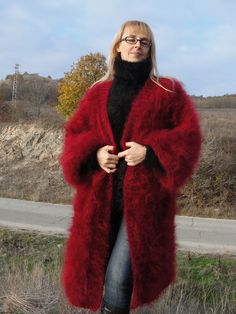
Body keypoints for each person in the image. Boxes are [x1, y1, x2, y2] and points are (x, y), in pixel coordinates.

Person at [59, 20, 202, 314]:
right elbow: (75, 134)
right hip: (100, 199)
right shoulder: (98, 92)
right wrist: (95, 153)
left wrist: (150, 152)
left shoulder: (167, 90)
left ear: (150, 51)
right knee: (97, 275)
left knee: (118, 278)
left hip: (145, 201)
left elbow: (189, 137)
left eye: (144, 42)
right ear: (118, 45)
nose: (137, 45)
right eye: (131, 39)